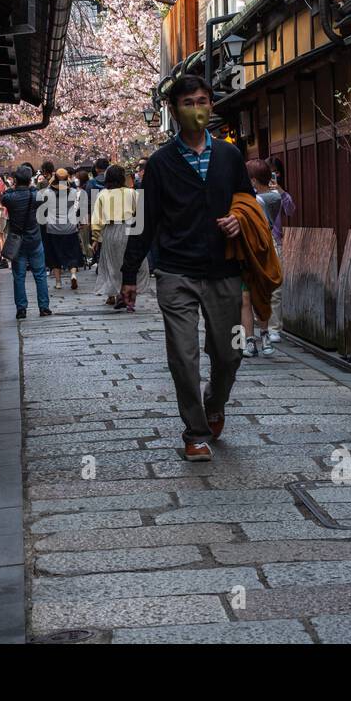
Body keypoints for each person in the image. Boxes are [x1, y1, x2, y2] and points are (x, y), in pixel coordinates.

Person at [119, 74, 255, 462]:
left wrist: (239, 219)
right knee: (183, 353)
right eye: (188, 103)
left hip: (223, 269)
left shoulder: (229, 155)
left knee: (229, 352)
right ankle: (195, 432)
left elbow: (246, 201)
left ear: (211, 105)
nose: (197, 110)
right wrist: (130, 275)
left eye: (203, 101)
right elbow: (144, 222)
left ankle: (215, 402)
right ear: (174, 111)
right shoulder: (161, 163)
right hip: (176, 271)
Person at [240, 159, 282, 358]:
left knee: (251, 297)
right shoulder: (273, 197)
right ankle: (259, 337)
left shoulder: (264, 200)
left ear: (253, 181)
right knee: (253, 296)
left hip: (256, 250)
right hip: (259, 250)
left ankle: (254, 339)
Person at [1, 165, 52, 319]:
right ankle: (44, 307)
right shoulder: (36, 195)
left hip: (18, 241)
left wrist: (12, 188)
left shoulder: (10, 198)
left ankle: (21, 309)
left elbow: (3, 196)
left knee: (19, 276)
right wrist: (31, 188)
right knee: (40, 274)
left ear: (15, 180)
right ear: (30, 180)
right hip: (35, 239)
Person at [91, 164, 136, 307]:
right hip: (129, 230)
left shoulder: (103, 195)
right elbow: (141, 215)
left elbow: (97, 219)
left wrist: (95, 237)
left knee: (110, 263)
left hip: (110, 230)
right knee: (126, 263)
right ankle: (125, 292)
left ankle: (112, 294)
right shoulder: (133, 193)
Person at [39, 168, 84, 290]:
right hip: (70, 227)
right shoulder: (74, 192)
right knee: (72, 252)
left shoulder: (47, 193)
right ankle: (73, 274)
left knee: (54, 254)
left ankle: (58, 282)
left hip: (53, 228)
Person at [266, 158, 295, 342]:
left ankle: (274, 328)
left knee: (276, 286)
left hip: (275, 241)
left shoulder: (280, 194)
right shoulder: (254, 192)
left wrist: (281, 191)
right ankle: (260, 324)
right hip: (258, 241)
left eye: (273, 172)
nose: (270, 176)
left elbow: (290, 210)